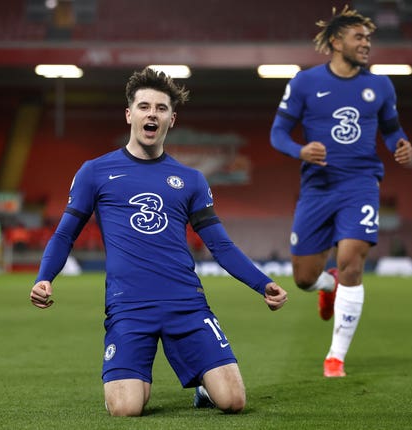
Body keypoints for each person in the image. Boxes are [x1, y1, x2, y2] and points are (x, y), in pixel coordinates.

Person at [30, 67, 288, 416]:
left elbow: (221, 246)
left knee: (233, 401)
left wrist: (263, 284)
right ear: (129, 114)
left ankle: (205, 388)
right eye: (144, 106)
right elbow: (64, 234)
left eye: (161, 108)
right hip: (129, 307)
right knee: (125, 409)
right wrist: (45, 277)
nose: (152, 113)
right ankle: (134, 379)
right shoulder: (95, 172)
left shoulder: (191, 179)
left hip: (186, 303)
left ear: (171, 119)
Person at [269, 6, 412, 378]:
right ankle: (327, 285)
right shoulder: (304, 82)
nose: (367, 44)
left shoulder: (380, 85)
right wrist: (299, 150)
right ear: (336, 41)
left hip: (361, 182)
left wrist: (402, 144)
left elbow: (392, 129)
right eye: (359, 37)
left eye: (369, 38)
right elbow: (278, 134)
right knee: (302, 277)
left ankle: (335, 357)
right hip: (317, 186)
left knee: (352, 262)